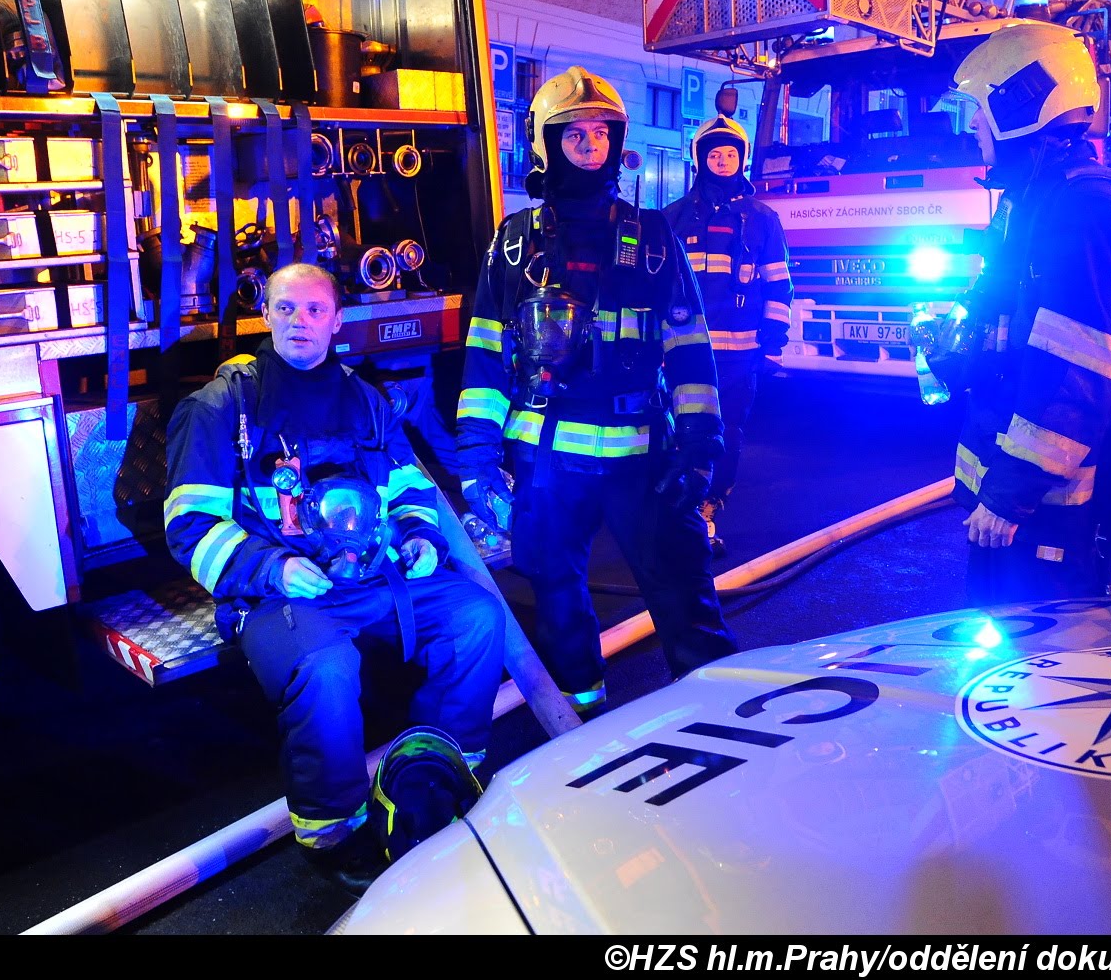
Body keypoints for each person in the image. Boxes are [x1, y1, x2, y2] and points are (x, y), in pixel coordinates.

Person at [162, 261, 505, 896]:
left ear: (337, 320)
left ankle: (443, 769)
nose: (301, 321)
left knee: (477, 617)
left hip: (373, 579)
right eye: (286, 308)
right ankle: (333, 831)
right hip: (278, 593)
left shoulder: (365, 401)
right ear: (266, 316)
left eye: (315, 309)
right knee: (325, 664)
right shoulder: (219, 407)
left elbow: (410, 489)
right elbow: (189, 525)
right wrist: (272, 566)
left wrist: (419, 538)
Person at [455, 65, 738, 716]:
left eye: (601, 134)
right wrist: (476, 460)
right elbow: (486, 357)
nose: (589, 146)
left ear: (617, 142)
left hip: (645, 460)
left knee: (686, 599)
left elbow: (689, 348)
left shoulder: (655, 238)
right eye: (574, 135)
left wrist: (701, 443)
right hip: (547, 461)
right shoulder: (514, 244)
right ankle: (580, 724)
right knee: (557, 603)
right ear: (547, 145)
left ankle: (721, 720)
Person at [935, 20, 1111, 605]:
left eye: (979, 110)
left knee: (1040, 650)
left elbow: (1079, 368)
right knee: (994, 643)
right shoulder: (1029, 197)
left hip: (1047, 509)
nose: (972, 125)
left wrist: (1010, 495)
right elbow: (1008, 314)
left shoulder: (1087, 208)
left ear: (1020, 106)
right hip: (1014, 491)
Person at [661, 112, 793, 555]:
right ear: (699, 159)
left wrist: (772, 346)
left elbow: (778, 285)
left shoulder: (763, 220)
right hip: (684, 353)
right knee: (679, 429)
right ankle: (677, 509)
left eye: (730, 155)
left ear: (742, 160)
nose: (721, 161)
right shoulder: (673, 217)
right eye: (714, 154)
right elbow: (657, 287)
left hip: (740, 354)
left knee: (727, 432)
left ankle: (708, 509)